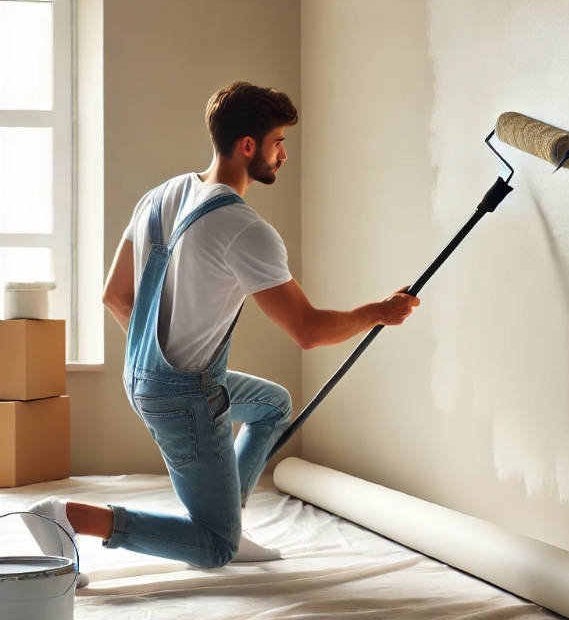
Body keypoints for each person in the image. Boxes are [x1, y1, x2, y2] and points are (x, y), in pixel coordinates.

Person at [26, 81, 419, 582]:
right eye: (278, 141)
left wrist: (156, 364)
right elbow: (308, 331)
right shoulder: (243, 228)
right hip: (184, 397)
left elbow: (114, 296)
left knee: (274, 404)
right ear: (248, 145)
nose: (283, 154)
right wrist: (378, 312)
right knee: (213, 548)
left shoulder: (160, 195)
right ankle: (65, 518)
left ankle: (226, 518)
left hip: (143, 377)